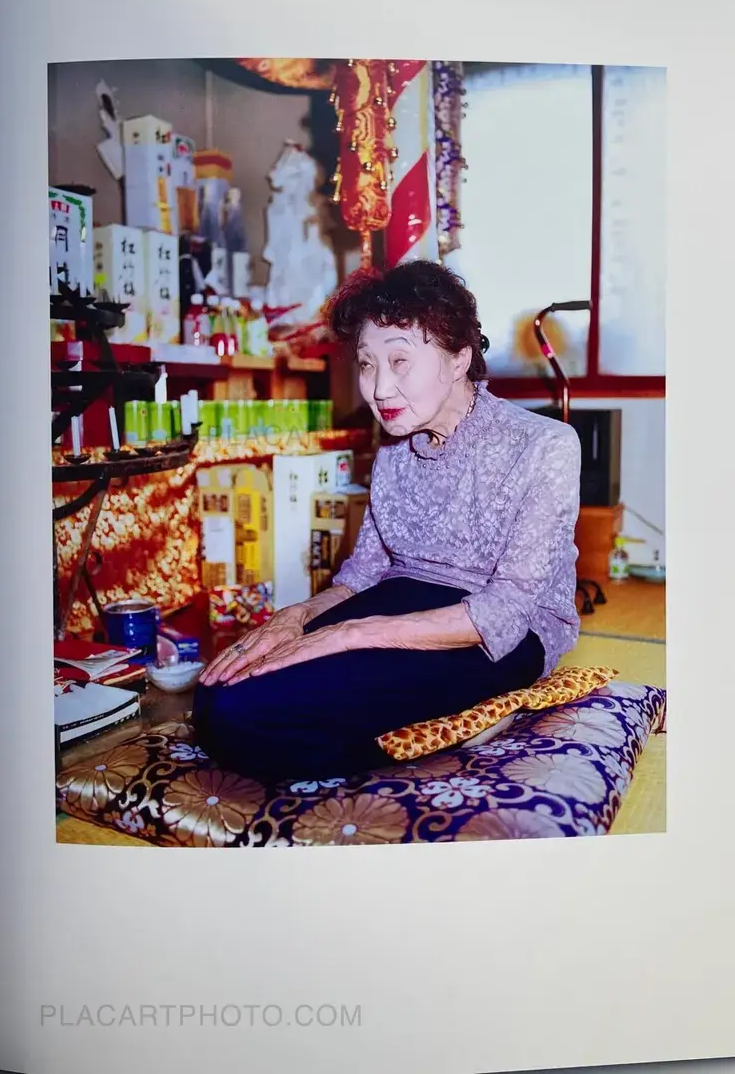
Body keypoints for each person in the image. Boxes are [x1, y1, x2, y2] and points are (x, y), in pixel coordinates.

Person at [193, 261, 581, 783]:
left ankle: (458, 725)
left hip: (503, 629)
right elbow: (362, 577)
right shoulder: (394, 452)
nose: (379, 389)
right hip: (403, 598)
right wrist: (297, 617)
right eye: (367, 364)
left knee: (250, 716)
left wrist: (349, 634)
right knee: (217, 694)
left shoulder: (545, 445)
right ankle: (444, 728)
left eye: (400, 361)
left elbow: (506, 611)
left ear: (459, 358)